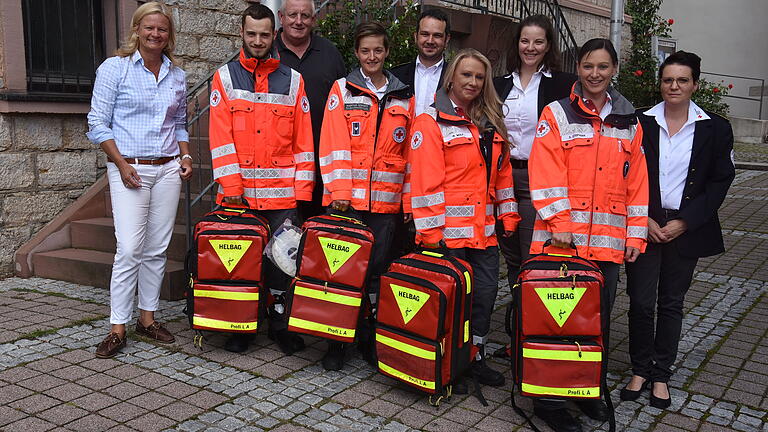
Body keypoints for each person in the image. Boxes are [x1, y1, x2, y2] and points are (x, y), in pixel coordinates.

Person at [528, 38, 649, 432]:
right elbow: (545, 175)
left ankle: (588, 390)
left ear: (614, 69)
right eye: (587, 66)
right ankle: (550, 400)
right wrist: (560, 226)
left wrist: (635, 236)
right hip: (562, 242)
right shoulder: (557, 113)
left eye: (602, 66)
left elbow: (638, 185)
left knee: (596, 323)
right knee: (557, 319)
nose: (594, 74)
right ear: (577, 69)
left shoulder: (629, 119)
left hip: (609, 247)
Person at [621, 51, 735, 409]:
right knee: (640, 302)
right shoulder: (640, 122)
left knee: (671, 302)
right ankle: (639, 369)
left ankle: (661, 374)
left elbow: (720, 181)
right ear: (660, 83)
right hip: (646, 224)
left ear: (695, 85)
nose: (674, 86)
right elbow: (623, 174)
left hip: (685, 227)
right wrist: (645, 219)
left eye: (682, 80)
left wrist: (685, 221)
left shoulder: (715, 127)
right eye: (668, 79)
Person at [408, 48, 520, 389]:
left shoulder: (489, 123)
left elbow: (502, 176)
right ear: (451, 78)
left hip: (484, 233)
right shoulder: (431, 122)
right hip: (446, 237)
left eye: (479, 76)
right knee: (453, 301)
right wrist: (430, 233)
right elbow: (425, 182)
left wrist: (509, 215)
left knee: (485, 295)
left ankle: (476, 355)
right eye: (466, 75)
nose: (472, 82)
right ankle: (448, 360)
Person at [87, 1, 192, 358]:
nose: (155, 34)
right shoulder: (114, 69)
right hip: (128, 167)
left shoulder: (176, 75)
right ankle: (118, 326)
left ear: (169, 35)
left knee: (157, 249)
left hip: (167, 169)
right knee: (129, 248)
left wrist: (187, 155)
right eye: (149, 27)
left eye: (162, 29)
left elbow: (179, 123)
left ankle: (147, 319)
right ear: (136, 29)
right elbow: (97, 123)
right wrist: (119, 163)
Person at [208, 3, 314, 354]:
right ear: (242, 33)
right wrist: (233, 189)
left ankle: (280, 323)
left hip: (282, 196)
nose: (257, 40)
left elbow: (303, 142)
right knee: (242, 261)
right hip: (239, 197)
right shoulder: (224, 78)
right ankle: (243, 322)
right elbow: (220, 140)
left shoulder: (294, 81)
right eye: (251, 33)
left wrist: (302, 190)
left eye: (264, 34)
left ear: (275, 35)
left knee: (283, 261)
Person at [318, 22, 414, 371]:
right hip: (346, 203)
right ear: (356, 54)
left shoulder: (405, 96)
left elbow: (410, 156)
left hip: (386, 205)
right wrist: (340, 193)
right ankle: (336, 342)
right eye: (364, 50)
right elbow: (332, 143)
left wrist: (407, 200)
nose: (371, 56)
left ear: (387, 52)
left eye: (378, 50)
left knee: (375, 274)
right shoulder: (342, 90)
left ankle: (368, 337)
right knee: (342, 273)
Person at [493, 14, 576, 289]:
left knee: (532, 252)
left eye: (538, 42)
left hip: (536, 180)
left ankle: (527, 318)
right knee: (510, 252)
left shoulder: (563, 84)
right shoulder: (500, 84)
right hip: (502, 179)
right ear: (516, 43)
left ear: (549, 45)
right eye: (525, 41)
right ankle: (518, 306)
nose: (531, 47)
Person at [275, 0, 347, 219]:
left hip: (320, 163)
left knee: (315, 234)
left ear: (314, 20)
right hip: (278, 164)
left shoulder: (330, 53)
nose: (299, 21)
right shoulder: (268, 53)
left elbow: (344, 103)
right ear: (281, 17)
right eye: (292, 15)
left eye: (305, 16)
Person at [390, 8, 451, 116]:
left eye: (437, 35)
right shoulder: (395, 76)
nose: (430, 41)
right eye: (425, 34)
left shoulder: (455, 77)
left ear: (446, 40)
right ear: (415, 37)